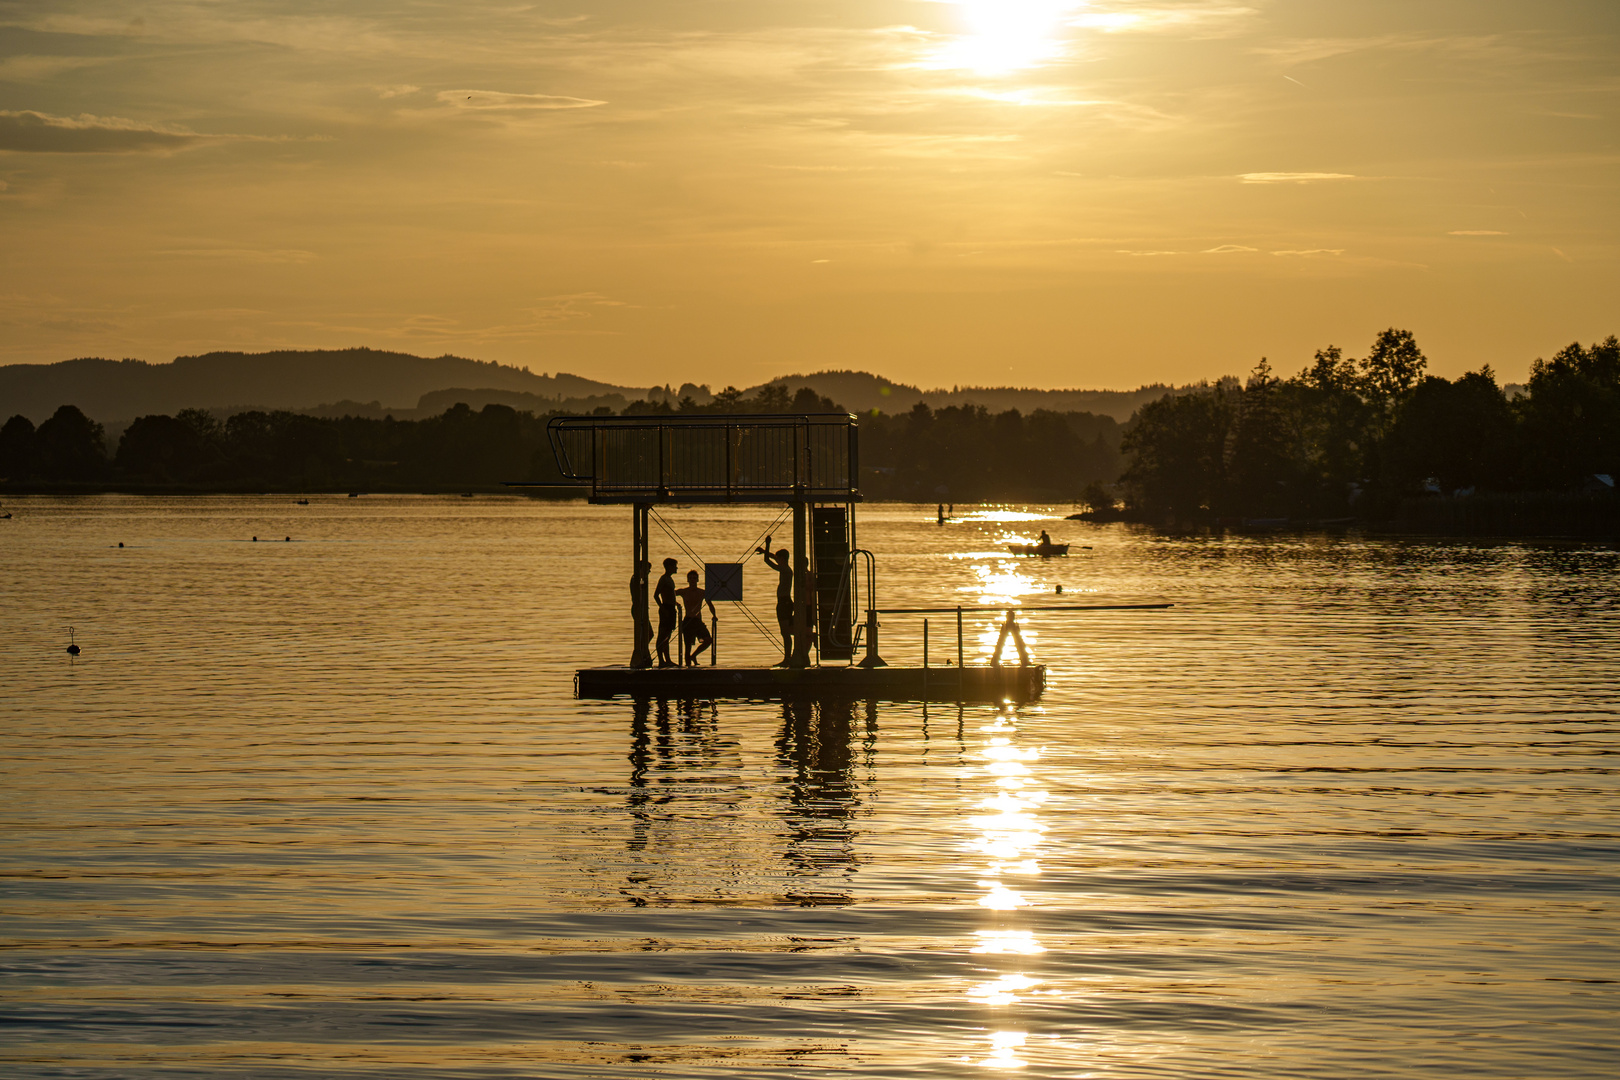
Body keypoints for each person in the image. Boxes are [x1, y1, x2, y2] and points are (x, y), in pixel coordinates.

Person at [757, 536, 794, 666]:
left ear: (783, 559)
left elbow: (768, 560)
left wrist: (767, 544)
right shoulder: (786, 568)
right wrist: (764, 550)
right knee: (784, 631)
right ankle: (788, 657)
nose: (776, 560)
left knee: (785, 632)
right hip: (783, 602)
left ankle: (788, 658)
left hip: (785, 603)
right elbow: (772, 557)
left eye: (778, 559)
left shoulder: (785, 570)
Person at [675, 569, 715, 666]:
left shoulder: (702, 592)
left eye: (694, 578)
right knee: (687, 646)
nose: (692, 580)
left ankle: (694, 656)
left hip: (697, 621)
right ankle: (687, 666)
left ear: (697, 580)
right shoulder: (684, 591)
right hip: (688, 620)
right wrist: (676, 604)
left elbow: (710, 605)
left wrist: (714, 615)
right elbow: (669, 595)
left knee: (708, 640)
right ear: (688, 580)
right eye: (690, 578)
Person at [653, 557, 679, 667]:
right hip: (666, 609)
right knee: (662, 635)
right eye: (674, 566)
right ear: (669, 567)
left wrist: (675, 603)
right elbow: (656, 595)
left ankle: (667, 659)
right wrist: (662, 608)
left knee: (667, 636)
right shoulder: (663, 579)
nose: (676, 568)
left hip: (671, 608)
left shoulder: (670, 579)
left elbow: (670, 594)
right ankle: (661, 660)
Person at [630, 559, 653, 668]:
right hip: (639, 609)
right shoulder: (636, 580)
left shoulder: (639, 580)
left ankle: (643, 651)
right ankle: (641, 652)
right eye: (648, 569)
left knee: (648, 633)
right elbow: (637, 596)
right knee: (645, 633)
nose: (649, 572)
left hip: (642, 609)